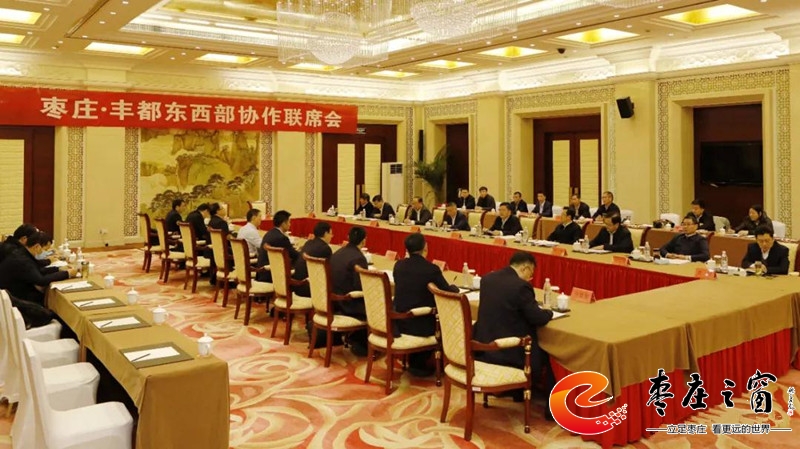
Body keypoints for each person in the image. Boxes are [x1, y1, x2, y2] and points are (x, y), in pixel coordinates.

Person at [472, 251, 554, 411]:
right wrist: (549, 312)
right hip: (510, 352)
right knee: (549, 351)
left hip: (484, 347)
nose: (530, 278)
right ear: (525, 268)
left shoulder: (488, 279)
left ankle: (516, 391)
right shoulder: (521, 287)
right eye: (531, 274)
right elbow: (537, 318)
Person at [393, 233, 459, 376]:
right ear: (425, 248)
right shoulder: (431, 269)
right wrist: (455, 288)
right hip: (421, 325)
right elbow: (447, 292)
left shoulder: (398, 265)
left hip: (398, 322)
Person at [0, 232, 75, 305]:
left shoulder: (22, 252)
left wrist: (59, 269)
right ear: (37, 246)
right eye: (45, 250)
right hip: (15, 298)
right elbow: (41, 280)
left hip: (13, 292)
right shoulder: (24, 261)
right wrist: (67, 274)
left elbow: (37, 269)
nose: (46, 252)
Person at [329, 226, 369, 355]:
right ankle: (361, 342)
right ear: (364, 241)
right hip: (347, 303)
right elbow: (361, 287)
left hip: (332, 301)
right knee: (379, 305)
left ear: (348, 237)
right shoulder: (359, 258)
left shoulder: (337, 253)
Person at [292, 221, 333, 298]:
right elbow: (329, 271)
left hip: (297, 285)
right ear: (325, 233)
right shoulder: (325, 249)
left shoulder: (309, 242)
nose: (332, 236)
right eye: (331, 234)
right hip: (309, 288)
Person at [256, 210, 299, 282]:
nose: (290, 224)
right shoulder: (281, 238)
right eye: (289, 222)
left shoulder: (270, 233)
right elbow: (294, 255)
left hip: (263, 273)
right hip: (271, 275)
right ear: (283, 223)